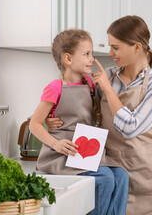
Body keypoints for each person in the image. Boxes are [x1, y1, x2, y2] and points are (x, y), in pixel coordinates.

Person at [47, 16, 152, 215]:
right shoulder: (107, 76)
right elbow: (84, 110)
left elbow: (131, 128)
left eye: (115, 47)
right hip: (117, 175)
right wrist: (51, 118)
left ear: (136, 47)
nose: (110, 53)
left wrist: (109, 90)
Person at [29, 29, 129, 215]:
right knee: (105, 178)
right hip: (63, 153)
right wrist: (55, 143)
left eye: (91, 54)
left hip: (85, 151)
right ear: (68, 59)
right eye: (86, 54)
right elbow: (34, 124)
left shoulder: (90, 83)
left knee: (121, 175)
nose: (91, 59)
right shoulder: (55, 87)